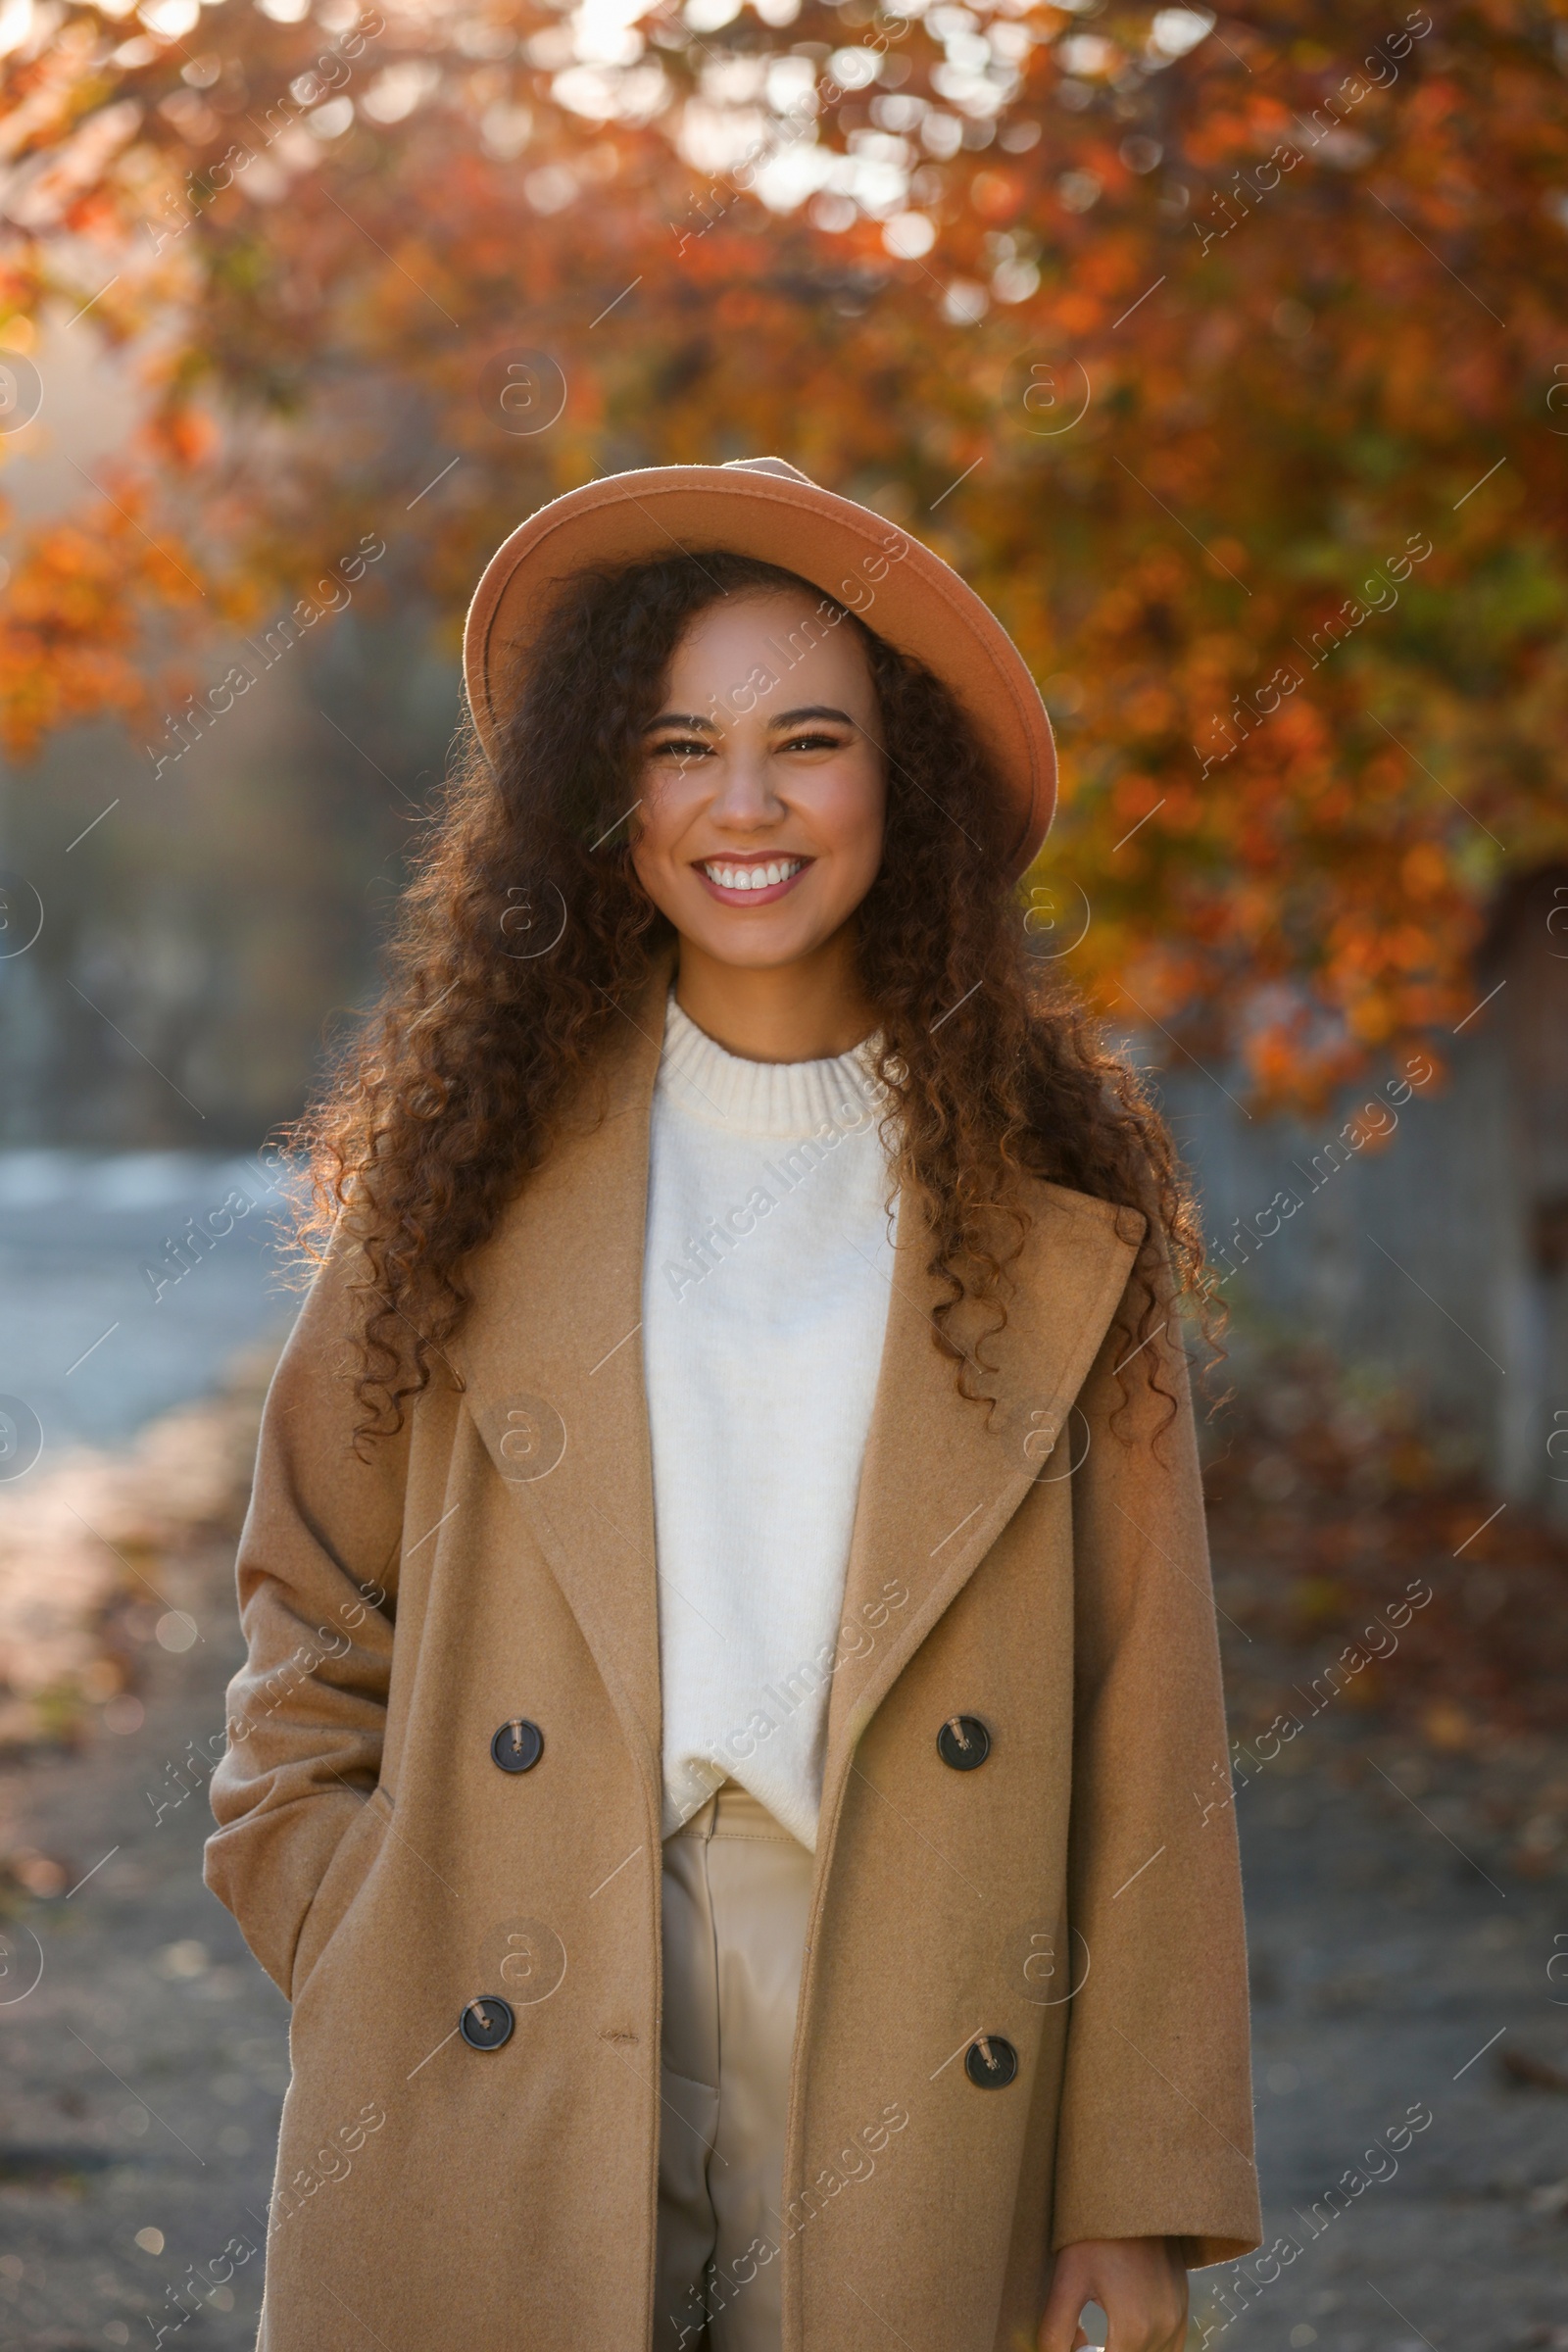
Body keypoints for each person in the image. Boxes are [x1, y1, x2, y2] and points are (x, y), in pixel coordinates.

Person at [205, 457, 1260, 2352]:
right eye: (682, 742)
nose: (746, 804)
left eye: (811, 741)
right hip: (501, 1977)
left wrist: (1139, 2190)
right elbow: (309, 1601)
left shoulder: (1061, 1216)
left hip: (917, 1988)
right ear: (608, 789)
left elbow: (1149, 1726)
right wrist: (356, 1931)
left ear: (901, 780)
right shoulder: (463, 1180)